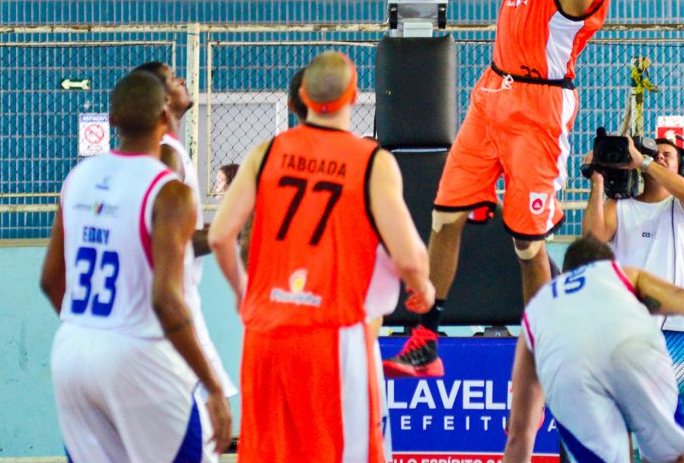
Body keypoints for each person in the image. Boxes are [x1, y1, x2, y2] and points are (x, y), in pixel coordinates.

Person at [383, 0, 612, 379]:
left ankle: (547, 347)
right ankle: (425, 339)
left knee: (528, 245)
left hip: (539, 106)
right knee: (444, 216)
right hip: (492, 94)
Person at [208, 51, 433, 463]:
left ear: (304, 99)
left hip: (265, 334)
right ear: (354, 97)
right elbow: (410, 259)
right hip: (333, 336)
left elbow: (221, 236)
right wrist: (425, 290)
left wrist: (244, 294)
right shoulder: (372, 161)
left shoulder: (265, 153)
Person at [40, 70, 232, 462]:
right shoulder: (168, 190)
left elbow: (50, 279)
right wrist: (212, 385)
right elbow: (165, 301)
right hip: (138, 352)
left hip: (72, 349)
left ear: (112, 120)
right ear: (164, 116)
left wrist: (93, 329)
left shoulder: (78, 177)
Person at [502, 236, 684, 463]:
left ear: (564, 275)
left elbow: (518, 438)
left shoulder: (539, 310)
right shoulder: (620, 274)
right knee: (675, 456)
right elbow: (674, 295)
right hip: (630, 350)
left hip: (573, 373)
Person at [582, 137, 684, 460]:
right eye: (655, 153)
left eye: (667, 155)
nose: (660, 157)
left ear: (682, 167)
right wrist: (598, 180)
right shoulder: (620, 207)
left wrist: (645, 161)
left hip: (677, 334)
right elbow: (591, 239)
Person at [132, 61, 238, 404]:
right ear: (161, 100)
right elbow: (169, 239)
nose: (181, 79)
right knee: (211, 409)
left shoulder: (169, 150)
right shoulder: (166, 154)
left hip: (169, 304)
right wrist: (235, 226)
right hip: (172, 305)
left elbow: (180, 230)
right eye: (172, 78)